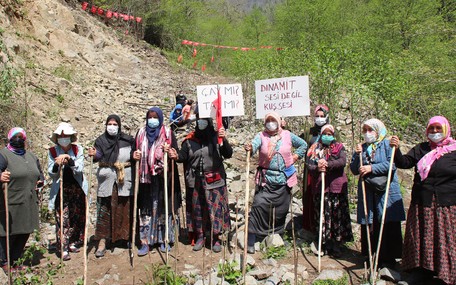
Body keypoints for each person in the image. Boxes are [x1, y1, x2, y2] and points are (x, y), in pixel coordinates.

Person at [391, 116, 456, 285]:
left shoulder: (454, 150)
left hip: (447, 204)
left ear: (446, 129)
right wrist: (396, 149)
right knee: (422, 238)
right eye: (431, 129)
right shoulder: (421, 149)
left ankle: (445, 273)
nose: (434, 132)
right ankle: (422, 271)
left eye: (438, 128)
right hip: (422, 202)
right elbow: (404, 163)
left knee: (445, 240)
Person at [167, 110, 232, 253]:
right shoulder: (189, 141)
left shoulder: (216, 138)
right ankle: (200, 237)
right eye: (199, 121)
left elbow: (228, 154)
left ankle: (215, 238)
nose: (201, 123)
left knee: (215, 209)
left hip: (215, 180)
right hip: (195, 181)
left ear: (209, 122)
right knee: (197, 210)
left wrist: (224, 140)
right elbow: (182, 157)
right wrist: (175, 155)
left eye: (204, 120)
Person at [244, 112, 307, 254]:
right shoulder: (261, 136)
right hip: (266, 179)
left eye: (273, 120)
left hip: (284, 178)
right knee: (259, 205)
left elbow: (303, 144)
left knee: (281, 209)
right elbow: (254, 145)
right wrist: (250, 148)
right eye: (268, 120)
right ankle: (252, 238)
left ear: (279, 122)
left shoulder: (287, 135)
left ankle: (276, 235)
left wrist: (295, 156)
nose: (270, 123)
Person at [349, 118, 405, 269]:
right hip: (368, 191)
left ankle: (389, 257)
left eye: (370, 130)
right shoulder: (362, 148)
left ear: (378, 131)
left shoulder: (387, 144)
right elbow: (354, 170)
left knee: (386, 219)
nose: (367, 134)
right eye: (365, 130)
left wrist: (371, 168)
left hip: (385, 190)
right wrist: (356, 155)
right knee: (371, 220)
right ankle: (372, 255)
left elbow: (391, 165)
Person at [133, 106, 181, 255]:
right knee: (146, 209)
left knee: (164, 208)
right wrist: (134, 155)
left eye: (155, 117)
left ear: (160, 118)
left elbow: (176, 153)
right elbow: (133, 151)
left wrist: (171, 153)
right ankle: (145, 241)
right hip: (145, 179)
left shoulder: (168, 133)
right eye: (150, 117)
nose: (152, 120)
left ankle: (164, 239)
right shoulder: (141, 133)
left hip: (163, 178)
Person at [88, 115, 135, 257]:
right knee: (104, 208)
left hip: (123, 179)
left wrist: (136, 155)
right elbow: (99, 155)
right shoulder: (101, 141)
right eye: (110, 123)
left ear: (119, 125)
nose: (112, 126)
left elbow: (133, 155)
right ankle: (102, 241)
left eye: (115, 124)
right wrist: (94, 154)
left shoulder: (128, 140)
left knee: (124, 207)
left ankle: (124, 238)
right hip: (107, 179)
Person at [0, 127, 44, 271]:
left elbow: (39, 174)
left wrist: (40, 181)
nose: (18, 139)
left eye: (21, 137)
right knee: (7, 232)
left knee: (25, 230)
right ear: (9, 138)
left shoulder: (31, 156)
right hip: (10, 201)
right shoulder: (3, 155)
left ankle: (15, 260)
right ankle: (4, 262)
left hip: (29, 200)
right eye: (15, 136)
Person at [306, 124, 353, 257]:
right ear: (321, 134)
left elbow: (342, 161)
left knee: (336, 214)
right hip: (321, 186)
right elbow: (309, 164)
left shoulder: (339, 147)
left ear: (333, 135)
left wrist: (328, 164)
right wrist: (317, 167)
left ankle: (336, 244)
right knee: (322, 214)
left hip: (336, 187)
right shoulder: (315, 148)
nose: (327, 136)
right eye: (324, 133)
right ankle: (323, 243)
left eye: (329, 133)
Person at [48, 122, 88, 261]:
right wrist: (56, 164)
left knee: (76, 216)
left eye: (66, 135)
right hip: (61, 189)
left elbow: (79, 168)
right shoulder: (53, 152)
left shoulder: (77, 150)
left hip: (76, 188)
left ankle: (72, 241)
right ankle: (63, 247)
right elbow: (51, 174)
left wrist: (70, 160)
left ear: (71, 137)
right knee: (62, 217)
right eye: (61, 136)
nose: (63, 138)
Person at [301, 104, 331, 233]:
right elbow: (298, 142)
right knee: (309, 195)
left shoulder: (331, 131)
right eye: (317, 116)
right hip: (311, 170)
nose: (319, 118)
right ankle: (309, 226)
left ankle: (324, 228)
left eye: (322, 116)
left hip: (326, 170)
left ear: (327, 117)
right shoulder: (309, 132)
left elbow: (337, 147)